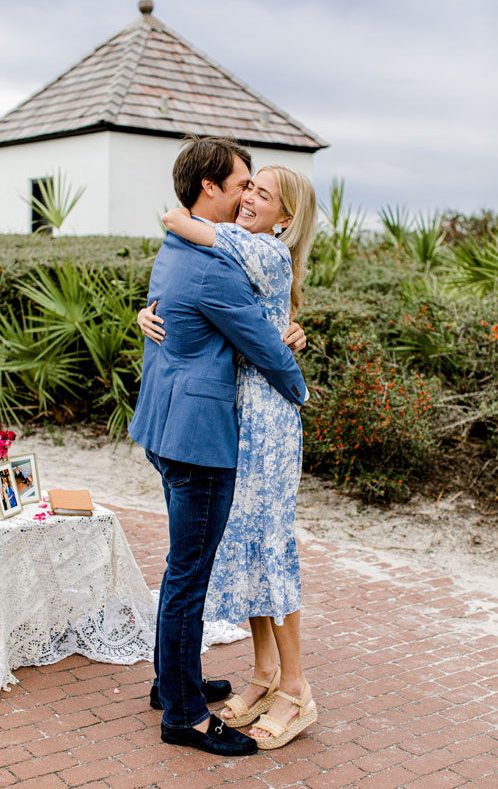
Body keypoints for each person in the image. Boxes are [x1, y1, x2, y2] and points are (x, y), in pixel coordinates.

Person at [128, 136, 308, 757]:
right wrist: (296, 378)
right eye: (241, 185)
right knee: (189, 577)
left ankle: (170, 680)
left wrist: (146, 316)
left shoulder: (179, 244)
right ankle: (183, 714)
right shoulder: (216, 265)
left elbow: (178, 312)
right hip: (199, 440)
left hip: (164, 422)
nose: (246, 194)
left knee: (183, 569)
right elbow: (263, 346)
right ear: (211, 188)